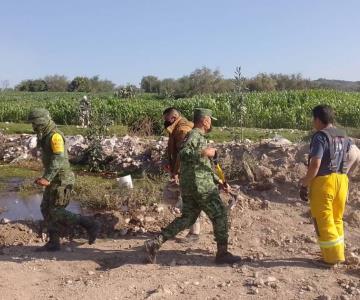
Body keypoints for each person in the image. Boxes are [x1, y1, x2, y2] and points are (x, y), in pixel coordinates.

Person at [145, 108, 242, 265]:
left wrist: (220, 182)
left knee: (188, 218)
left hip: (191, 185)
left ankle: (155, 243)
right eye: (210, 120)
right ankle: (222, 253)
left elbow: (203, 166)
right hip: (201, 187)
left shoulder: (195, 135)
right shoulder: (194, 134)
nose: (211, 123)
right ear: (205, 121)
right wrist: (205, 152)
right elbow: (184, 154)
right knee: (220, 215)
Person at [28, 108, 100, 251]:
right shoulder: (45, 135)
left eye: (34, 123)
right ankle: (54, 242)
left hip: (61, 180)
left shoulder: (55, 136)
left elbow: (58, 159)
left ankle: (90, 224)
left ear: (41, 121)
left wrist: (46, 178)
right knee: (46, 209)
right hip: (54, 179)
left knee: (56, 211)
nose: (33, 126)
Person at [299, 105, 351, 265]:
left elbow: (315, 163)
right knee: (336, 218)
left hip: (324, 182)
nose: (312, 123)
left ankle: (331, 258)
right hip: (342, 180)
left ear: (318, 119)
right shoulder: (343, 135)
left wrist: (304, 183)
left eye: (313, 119)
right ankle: (337, 253)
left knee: (323, 219)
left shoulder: (320, 137)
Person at [162, 107, 201, 242]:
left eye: (166, 119)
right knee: (186, 200)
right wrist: (171, 166)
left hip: (188, 171)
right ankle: (192, 230)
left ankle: (194, 233)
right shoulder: (178, 128)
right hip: (186, 171)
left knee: (189, 201)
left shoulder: (182, 130)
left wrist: (177, 172)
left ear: (172, 118)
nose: (165, 122)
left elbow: (183, 154)